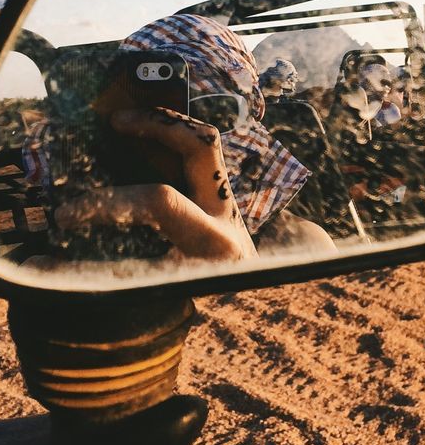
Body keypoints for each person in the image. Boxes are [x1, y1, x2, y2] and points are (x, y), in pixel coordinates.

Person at [41, 14, 336, 265]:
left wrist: (239, 264)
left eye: (213, 111)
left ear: (250, 113)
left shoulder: (298, 246)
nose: (180, 134)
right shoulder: (55, 260)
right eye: (144, 113)